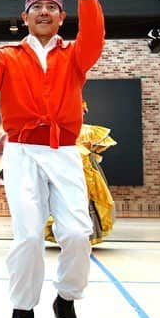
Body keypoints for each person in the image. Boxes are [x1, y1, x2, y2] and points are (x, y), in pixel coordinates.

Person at [0, 0, 104, 318]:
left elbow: (94, 37)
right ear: (24, 17)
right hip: (22, 152)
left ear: (61, 17)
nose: (44, 12)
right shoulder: (9, 56)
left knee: (76, 233)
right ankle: (22, 311)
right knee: (27, 236)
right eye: (36, 7)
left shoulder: (74, 55)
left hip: (64, 151)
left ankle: (66, 300)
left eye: (52, 7)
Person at [44, 102, 117, 246]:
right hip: (63, 170)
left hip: (86, 173)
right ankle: (67, 235)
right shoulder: (57, 131)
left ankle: (82, 236)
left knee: (84, 200)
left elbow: (97, 149)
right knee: (63, 199)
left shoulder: (89, 131)